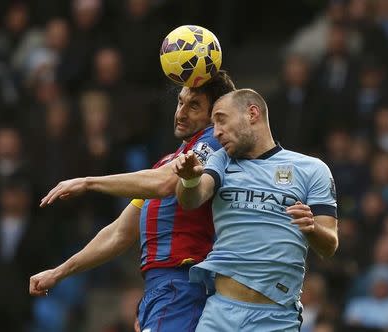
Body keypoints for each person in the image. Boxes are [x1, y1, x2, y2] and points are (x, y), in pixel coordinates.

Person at [29, 71, 236, 331]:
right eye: (180, 102)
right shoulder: (166, 162)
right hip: (162, 289)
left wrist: (89, 182)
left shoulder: (212, 145)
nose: (181, 113)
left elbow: (164, 183)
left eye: (194, 106)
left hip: (184, 284)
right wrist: (58, 272)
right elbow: (119, 233)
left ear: (215, 116)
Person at [173, 88, 339, 331]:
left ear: (252, 113)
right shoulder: (221, 161)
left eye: (221, 119)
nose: (216, 132)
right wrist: (188, 180)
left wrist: (312, 228)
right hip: (220, 314)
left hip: (276, 319)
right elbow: (192, 199)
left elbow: (330, 246)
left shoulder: (312, 169)